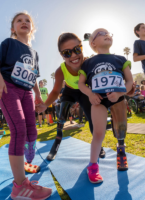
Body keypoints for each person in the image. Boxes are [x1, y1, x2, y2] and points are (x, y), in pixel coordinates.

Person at [0, 12, 52, 199]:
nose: (24, 22)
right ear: (13, 28)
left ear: (32, 28)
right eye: (19, 20)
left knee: (31, 130)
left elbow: (33, 75)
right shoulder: (8, 43)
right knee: (18, 129)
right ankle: (20, 186)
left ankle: (24, 163)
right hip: (9, 88)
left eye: (28, 21)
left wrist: (36, 94)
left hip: (26, 92)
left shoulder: (35, 53)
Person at [36, 32, 120, 161]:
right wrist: (45, 104)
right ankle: (56, 146)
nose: (74, 55)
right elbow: (55, 91)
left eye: (77, 49)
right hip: (69, 92)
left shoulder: (90, 63)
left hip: (85, 93)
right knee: (61, 118)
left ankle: (99, 146)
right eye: (67, 53)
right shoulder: (61, 70)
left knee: (93, 120)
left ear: (82, 47)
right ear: (61, 55)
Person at [78, 28, 133, 183]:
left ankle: (121, 151)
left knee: (121, 128)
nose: (107, 35)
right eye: (101, 34)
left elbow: (129, 81)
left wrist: (120, 93)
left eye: (108, 33)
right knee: (98, 133)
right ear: (93, 43)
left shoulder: (121, 59)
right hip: (98, 100)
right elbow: (81, 84)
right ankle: (93, 166)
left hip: (118, 98)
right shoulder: (87, 63)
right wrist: (90, 94)